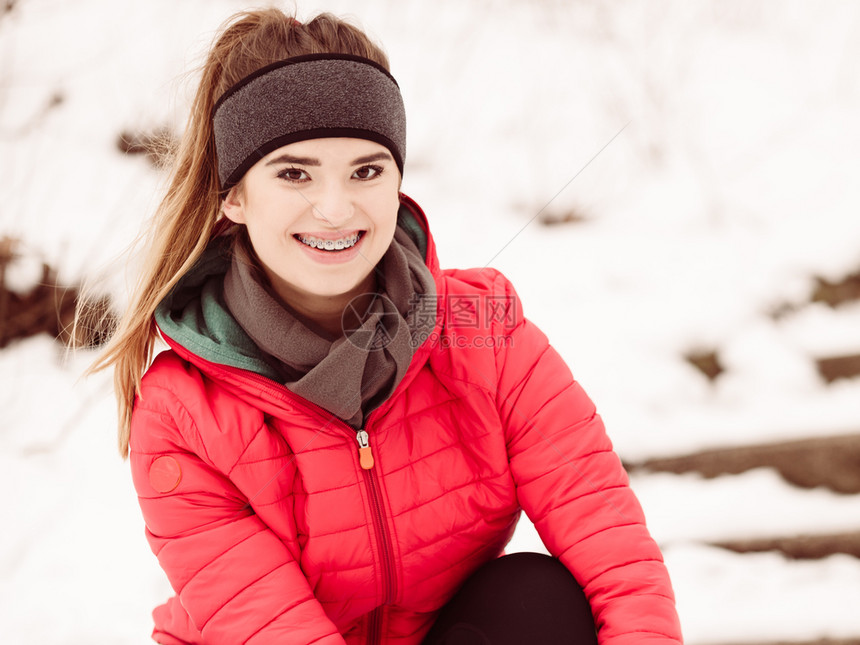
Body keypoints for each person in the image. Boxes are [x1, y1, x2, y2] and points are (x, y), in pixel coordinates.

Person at [89, 8, 683, 645]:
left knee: (535, 601)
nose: (336, 207)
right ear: (232, 195)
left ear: (397, 180)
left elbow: (611, 546)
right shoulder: (184, 413)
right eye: (294, 173)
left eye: (366, 170)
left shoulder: (487, 336)